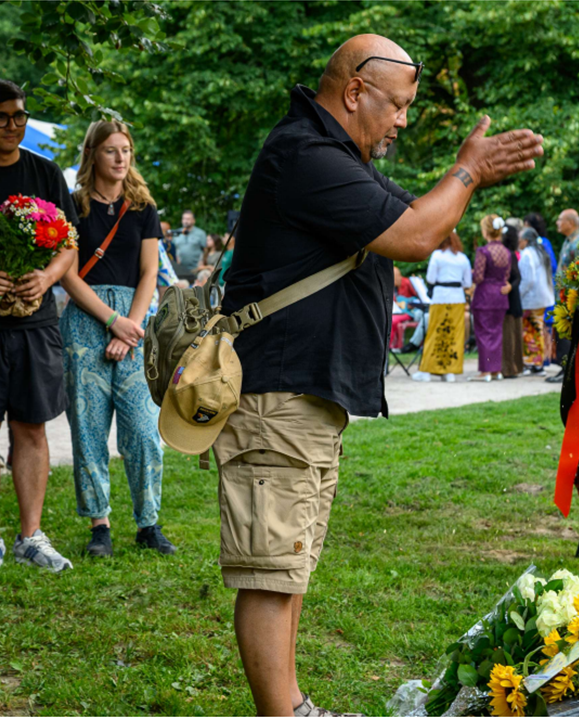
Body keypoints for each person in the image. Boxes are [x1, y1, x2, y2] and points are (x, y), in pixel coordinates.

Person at [213, 34, 543, 716]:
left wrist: (448, 200)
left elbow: (421, 224)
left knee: (288, 562)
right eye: (396, 106)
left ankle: (294, 707)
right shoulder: (304, 155)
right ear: (355, 91)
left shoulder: (335, 157)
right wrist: (468, 173)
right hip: (278, 391)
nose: (400, 120)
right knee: (272, 573)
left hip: (301, 394)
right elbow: (416, 236)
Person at [0, 79, 77, 572]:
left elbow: (69, 243)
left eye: (20, 116)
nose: (13, 125)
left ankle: (32, 535)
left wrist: (45, 277)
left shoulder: (45, 172)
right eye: (2, 117)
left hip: (35, 320)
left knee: (31, 425)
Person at [59, 120, 178, 558]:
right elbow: (67, 274)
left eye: (126, 149)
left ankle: (148, 523)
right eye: (111, 150)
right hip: (86, 321)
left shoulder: (143, 206)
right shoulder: (72, 206)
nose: (121, 158)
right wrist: (112, 321)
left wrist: (128, 328)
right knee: (88, 428)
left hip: (134, 321)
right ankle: (99, 524)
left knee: (144, 429)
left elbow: (150, 272)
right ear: (93, 154)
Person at [411, 231, 473, 381]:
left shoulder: (437, 256)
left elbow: (431, 278)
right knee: (452, 335)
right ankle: (449, 371)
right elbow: (468, 283)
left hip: (440, 298)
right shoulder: (462, 258)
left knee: (435, 332)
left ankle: (426, 371)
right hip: (457, 299)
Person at [469, 215, 514, 382]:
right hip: (500, 295)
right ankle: (496, 370)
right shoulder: (507, 252)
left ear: (486, 231)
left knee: (483, 333)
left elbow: (479, 277)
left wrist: (472, 274)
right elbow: (506, 275)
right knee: (496, 333)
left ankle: (485, 371)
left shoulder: (483, 251)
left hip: (485, 295)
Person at [549, 208, 579, 383]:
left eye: (560, 220)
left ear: (570, 222)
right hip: (563, 298)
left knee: (568, 337)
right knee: (562, 336)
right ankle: (564, 369)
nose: (557, 223)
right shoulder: (569, 240)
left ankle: (569, 371)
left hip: (572, 299)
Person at [518, 227, 556, 375]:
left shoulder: (527, 254)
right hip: (543, 297)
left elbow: (528, 279)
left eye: (520, 240)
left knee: (530, 331)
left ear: (526, 241)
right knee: (538, 330)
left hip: (531, 299)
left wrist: (519, 294)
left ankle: (532, 363)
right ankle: (537, 362)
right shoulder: (541, 252)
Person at [500, 224, 525, 379]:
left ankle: (510, 368)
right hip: (512, 297)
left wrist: (509, 286)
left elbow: (517, 277)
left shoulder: (508, 254)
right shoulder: (510, 253)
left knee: (509, 333)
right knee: (512, 332)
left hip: (510, 297)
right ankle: (513, 367)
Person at [170, 210, 207, 281]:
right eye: (184, 218)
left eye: (188, 219)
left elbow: (205, 251)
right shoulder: (176, 233)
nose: (186, 221)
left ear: (193, 221)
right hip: (179, 270)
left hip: (196, 269)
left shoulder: (201, 233)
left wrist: (202, 263)